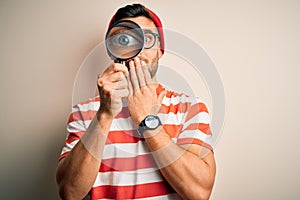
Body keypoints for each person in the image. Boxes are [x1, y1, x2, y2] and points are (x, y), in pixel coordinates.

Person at [56, 3, 216, 200]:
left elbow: (199, 193)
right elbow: (70, 193)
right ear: (112, 50)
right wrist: (104, 115)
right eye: (124, 39)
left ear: (160, 51)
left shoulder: (190, 109)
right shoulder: (84, 112)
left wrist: (148, 120)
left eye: (147, 39)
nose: (137, 50)